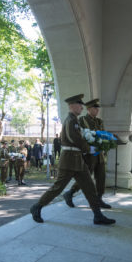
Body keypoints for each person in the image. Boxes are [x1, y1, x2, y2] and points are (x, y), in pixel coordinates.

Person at [30, 94, 115, 225]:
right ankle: (37, 206)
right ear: (71, 106)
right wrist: (89, 148)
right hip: (69, 160)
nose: (82, 106)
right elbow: (75, 139)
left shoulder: (74, 119)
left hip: (78, 160)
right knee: (58, 187)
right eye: (79, 104)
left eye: (82, 105)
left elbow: (79, 139)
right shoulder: (71, 120)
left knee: (90, 187)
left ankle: (97, 215)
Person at [64, 98, 111, 209]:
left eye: (98, 108)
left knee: (101, 177)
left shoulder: (100, 121)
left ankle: (99, 199)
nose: (97, 110)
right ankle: (70, 193)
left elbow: (103, 134)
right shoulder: (82, 120)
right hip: (89, 155)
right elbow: (80, 136)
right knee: (85, 178)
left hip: (99, 154)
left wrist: (106, 143)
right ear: (89, 109)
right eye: (95, 108)